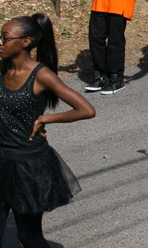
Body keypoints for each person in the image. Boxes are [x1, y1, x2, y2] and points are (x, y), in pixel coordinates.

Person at [0, 14, 96, 247]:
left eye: (4, 38)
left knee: (28, 236)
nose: (0, 43)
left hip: (28, 166)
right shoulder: (3, 68)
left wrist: (46, 118)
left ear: (26, 42)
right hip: (1, 159)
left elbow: (86, 109)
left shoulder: (41, 75)